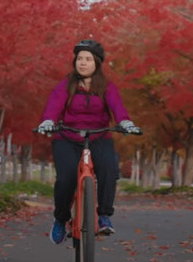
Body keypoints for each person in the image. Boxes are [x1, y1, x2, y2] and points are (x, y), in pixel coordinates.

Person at [36, 39, 140, 245]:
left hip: (98, 136)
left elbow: (117, 107)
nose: (83, 63)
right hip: (67, 137)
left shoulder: (106, 87)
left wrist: (125, 123)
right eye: (80, 59)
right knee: (65, 179)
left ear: (97, 64)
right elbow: (54, 105)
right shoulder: (66, 85)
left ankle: (103, 216)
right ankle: (60, 219)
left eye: (88, 59)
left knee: (109, 169)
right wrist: (48, 121)